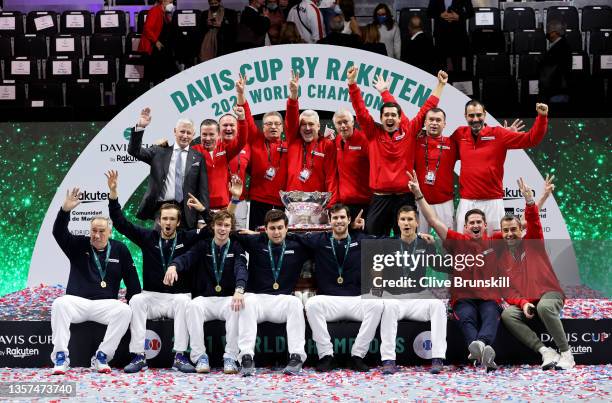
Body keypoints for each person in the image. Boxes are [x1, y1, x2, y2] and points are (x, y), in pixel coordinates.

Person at [105, 170, 208, 373]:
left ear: (178, 222)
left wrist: (203, 211)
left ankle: (180, 356)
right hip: (152, 296)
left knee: (183, 302)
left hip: (178, 297)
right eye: (164, 219)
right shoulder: (148, 237)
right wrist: (113, 194)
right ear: (159, 221)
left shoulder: (187, 238)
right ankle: (138, 355)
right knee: (136, 300)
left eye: (172, 219)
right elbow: (120, 223)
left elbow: (214, 229)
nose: (168, 223)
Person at [408, 170, 502, 372]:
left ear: (485, 225)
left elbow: (521, 229)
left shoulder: (497, 241)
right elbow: (433, 219)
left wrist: (532, 202)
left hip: (489, 297)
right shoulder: (457, 241)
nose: (475, 225)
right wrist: (418, 194)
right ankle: (483, 350)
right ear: (465, 227)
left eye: (479, 222)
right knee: (466, 317)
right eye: (472, 223)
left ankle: (480, 346)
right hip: (464, 297)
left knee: (490, 315)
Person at [347, 66, 447, 236]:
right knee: (373, 240)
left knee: (407, 240)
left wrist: (441, 85)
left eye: (394, 115)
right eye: (386, 115)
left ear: (400, 118)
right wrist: (352, 84)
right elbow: (360, 111)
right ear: (380, 118)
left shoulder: (409, 131)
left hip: (404, 198)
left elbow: (427, 108)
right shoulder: (373, 133)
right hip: (380, 198)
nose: (390, 118)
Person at [51, 188, 141, 375]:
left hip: (104, 305)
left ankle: (102, 356)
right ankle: (61, 356)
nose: (97, 235)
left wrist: (134, 303)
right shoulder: (78, 245)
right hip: (78, 303)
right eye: (93, 230)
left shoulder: (120, 249)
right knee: (60, 303)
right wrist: (65, 210)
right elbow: (58, 232)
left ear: (109, 232)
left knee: (124, 310)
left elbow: (132, 280)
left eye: (101, 231)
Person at [499, 178, 574, 370]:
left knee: (545, 308)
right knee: (508, 315)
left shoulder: (533, 243)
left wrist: (530, 201)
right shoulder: (501, 260)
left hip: (549, 293)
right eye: (505, 230)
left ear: (521, 230)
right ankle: (545, 352)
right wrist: (523, 304)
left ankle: (566, 354)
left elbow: (534, 221)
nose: (509, 234)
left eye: (513, 229)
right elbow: (508, 292)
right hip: (529, 301)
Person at [298, 204, 383, 372]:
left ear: (349, 220)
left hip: (355, 300)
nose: (339, 221)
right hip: (330, 301)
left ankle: (357, 356)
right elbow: (289, 236)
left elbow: (385, 240)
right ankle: (326, 356)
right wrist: (258, 235)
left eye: (342, 217)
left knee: (377, 304)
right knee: (312, 304)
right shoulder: (319, 240)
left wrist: (416, 236)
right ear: (329, 220)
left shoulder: (360, 239)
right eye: (335, 218)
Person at [166, 210, 248, 374]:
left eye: (226, 225)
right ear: (213, 226)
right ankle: (199, 356)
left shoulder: (237, 247)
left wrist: (239, 289)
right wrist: (174, 265)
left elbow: (241, 268)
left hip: (227, 299)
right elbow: (186, 258)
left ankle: (231, 357)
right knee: (193, 305)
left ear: (231, 228)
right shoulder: (203, 245)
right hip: (205, 299)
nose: (222, 229)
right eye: (219, 225)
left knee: (237, 305)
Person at [450, 101, 549, 233]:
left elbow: (531, 139)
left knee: (497, 248)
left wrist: (542, 117)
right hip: (467, 201)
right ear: (465, 116)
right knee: (463, 247)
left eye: (479, 115)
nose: (475, 119)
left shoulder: (499, 134)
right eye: (471, 115)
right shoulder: (459, 134)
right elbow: (443, 150)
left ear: (485, 115)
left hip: (493, 202)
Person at [234, 209, 312, 376]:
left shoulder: (297, 245)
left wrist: (355, 229)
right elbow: (224, 230)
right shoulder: (256, 241)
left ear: (286, 228)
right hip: (258, 299)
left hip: (282, 301)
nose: (276, 232)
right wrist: (205, 212)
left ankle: (296, 356)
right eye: (272, 228)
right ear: (265, 229)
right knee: (247, 301)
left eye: (280, 228)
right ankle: (246, 357)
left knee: (295, 303)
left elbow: (324, 238)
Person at [378, 206, 447, 375]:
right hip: (395, 298)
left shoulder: (425, 242)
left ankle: (437, 358)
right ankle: (388, 360)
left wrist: (436, 244)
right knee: (389, 306)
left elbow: (441, 266)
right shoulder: (388, 244)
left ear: (417, 222)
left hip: (418, 298)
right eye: (403, 219)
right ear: (398, 223)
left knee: (438, 306)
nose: (406, 223)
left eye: (410, 219)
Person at [127, 108, 209, 229]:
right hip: (162, 210)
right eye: (182, 131)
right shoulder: (159, 151)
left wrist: (202, 219)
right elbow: (134, 151)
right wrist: (140, 126)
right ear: (175, 131)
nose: (185, 136)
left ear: (193, 135)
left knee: (184, 248)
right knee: (158, 247)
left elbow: (203, 191)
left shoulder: (198, 158)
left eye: (188, 133)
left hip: (187, 212)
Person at [235, 74, 289, 229]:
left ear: (282, 127)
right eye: (269, 124)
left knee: (280, 239)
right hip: (259, 201)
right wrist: (240, 94)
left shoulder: (289, 145)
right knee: (257, 239)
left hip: (282, 202)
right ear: (263, 127)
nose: (273, 127)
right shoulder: (256, 140)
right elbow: (247, 117)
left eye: (277, 124)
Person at [285, 71, 338, 205]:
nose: (307, 128)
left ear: (319, 125)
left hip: (318, 203)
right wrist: (293, 96)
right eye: (303, 124)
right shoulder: (293, 141)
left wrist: (331, 205)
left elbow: (331, 176)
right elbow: (291, 118)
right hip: (292, 202)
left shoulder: (327, 145)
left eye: (311, 124)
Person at [192, 100, 247, 211]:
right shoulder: (193, 151)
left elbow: (241, 141)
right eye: (204, 134)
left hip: (224, 207)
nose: (208, 138)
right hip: (201, 207)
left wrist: (241, 119)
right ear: (200, 135)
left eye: (211, 134)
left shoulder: (225, 149)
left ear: (218, 135)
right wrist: (164, 146)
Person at [414, 107, 457, 235]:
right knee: (420, 241)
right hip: (420, 200)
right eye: (431, 120)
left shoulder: (453, 144)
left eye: (438, 120)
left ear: (444, 124)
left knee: (448, 242)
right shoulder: (414, 142)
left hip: (445, 202)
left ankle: (448, 256)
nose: (434, 123)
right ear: (425, 123)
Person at [332, 108, 371, 220]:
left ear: (353, 122)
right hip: (344, 204)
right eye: (339, 123)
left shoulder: (364, 140)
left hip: (365, 203)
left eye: (346, 122)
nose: (343, 126)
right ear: (335, 126)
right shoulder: (337, 140)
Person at [220, 112, 251, 229]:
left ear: (238, 127)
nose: (228, 128)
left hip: (239, 201)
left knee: (239, 236)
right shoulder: (213, 146)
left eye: (232, 125)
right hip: (219, 203)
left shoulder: (247, 146)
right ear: (219, 128)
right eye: (225, 125)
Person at [427, 0, 474, 72]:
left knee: (457, 66)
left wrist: (458, 16)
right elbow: (429, 12)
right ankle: (443, 83)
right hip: (441, 35)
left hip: (457, 36)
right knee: (440, 67)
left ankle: (456, 81)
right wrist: (440, 14)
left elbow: (471, 12)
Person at [138, 0, 178, 83]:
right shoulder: (155, 10)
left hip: (162, 49)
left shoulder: (165, 13)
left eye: (172, 3)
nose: (171, 4)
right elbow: (147, 29)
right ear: (163, 1)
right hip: (153, 49)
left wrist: (169, 16)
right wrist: (156, 41)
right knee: (157, 77)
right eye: (170, 2)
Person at [539, 20, 572, 105]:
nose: (547, 34)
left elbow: (549, 71)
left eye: (549, 31)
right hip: (557, 91)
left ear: (554, 33)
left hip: (556, 91)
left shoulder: (560, 48)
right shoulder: (562, 45)